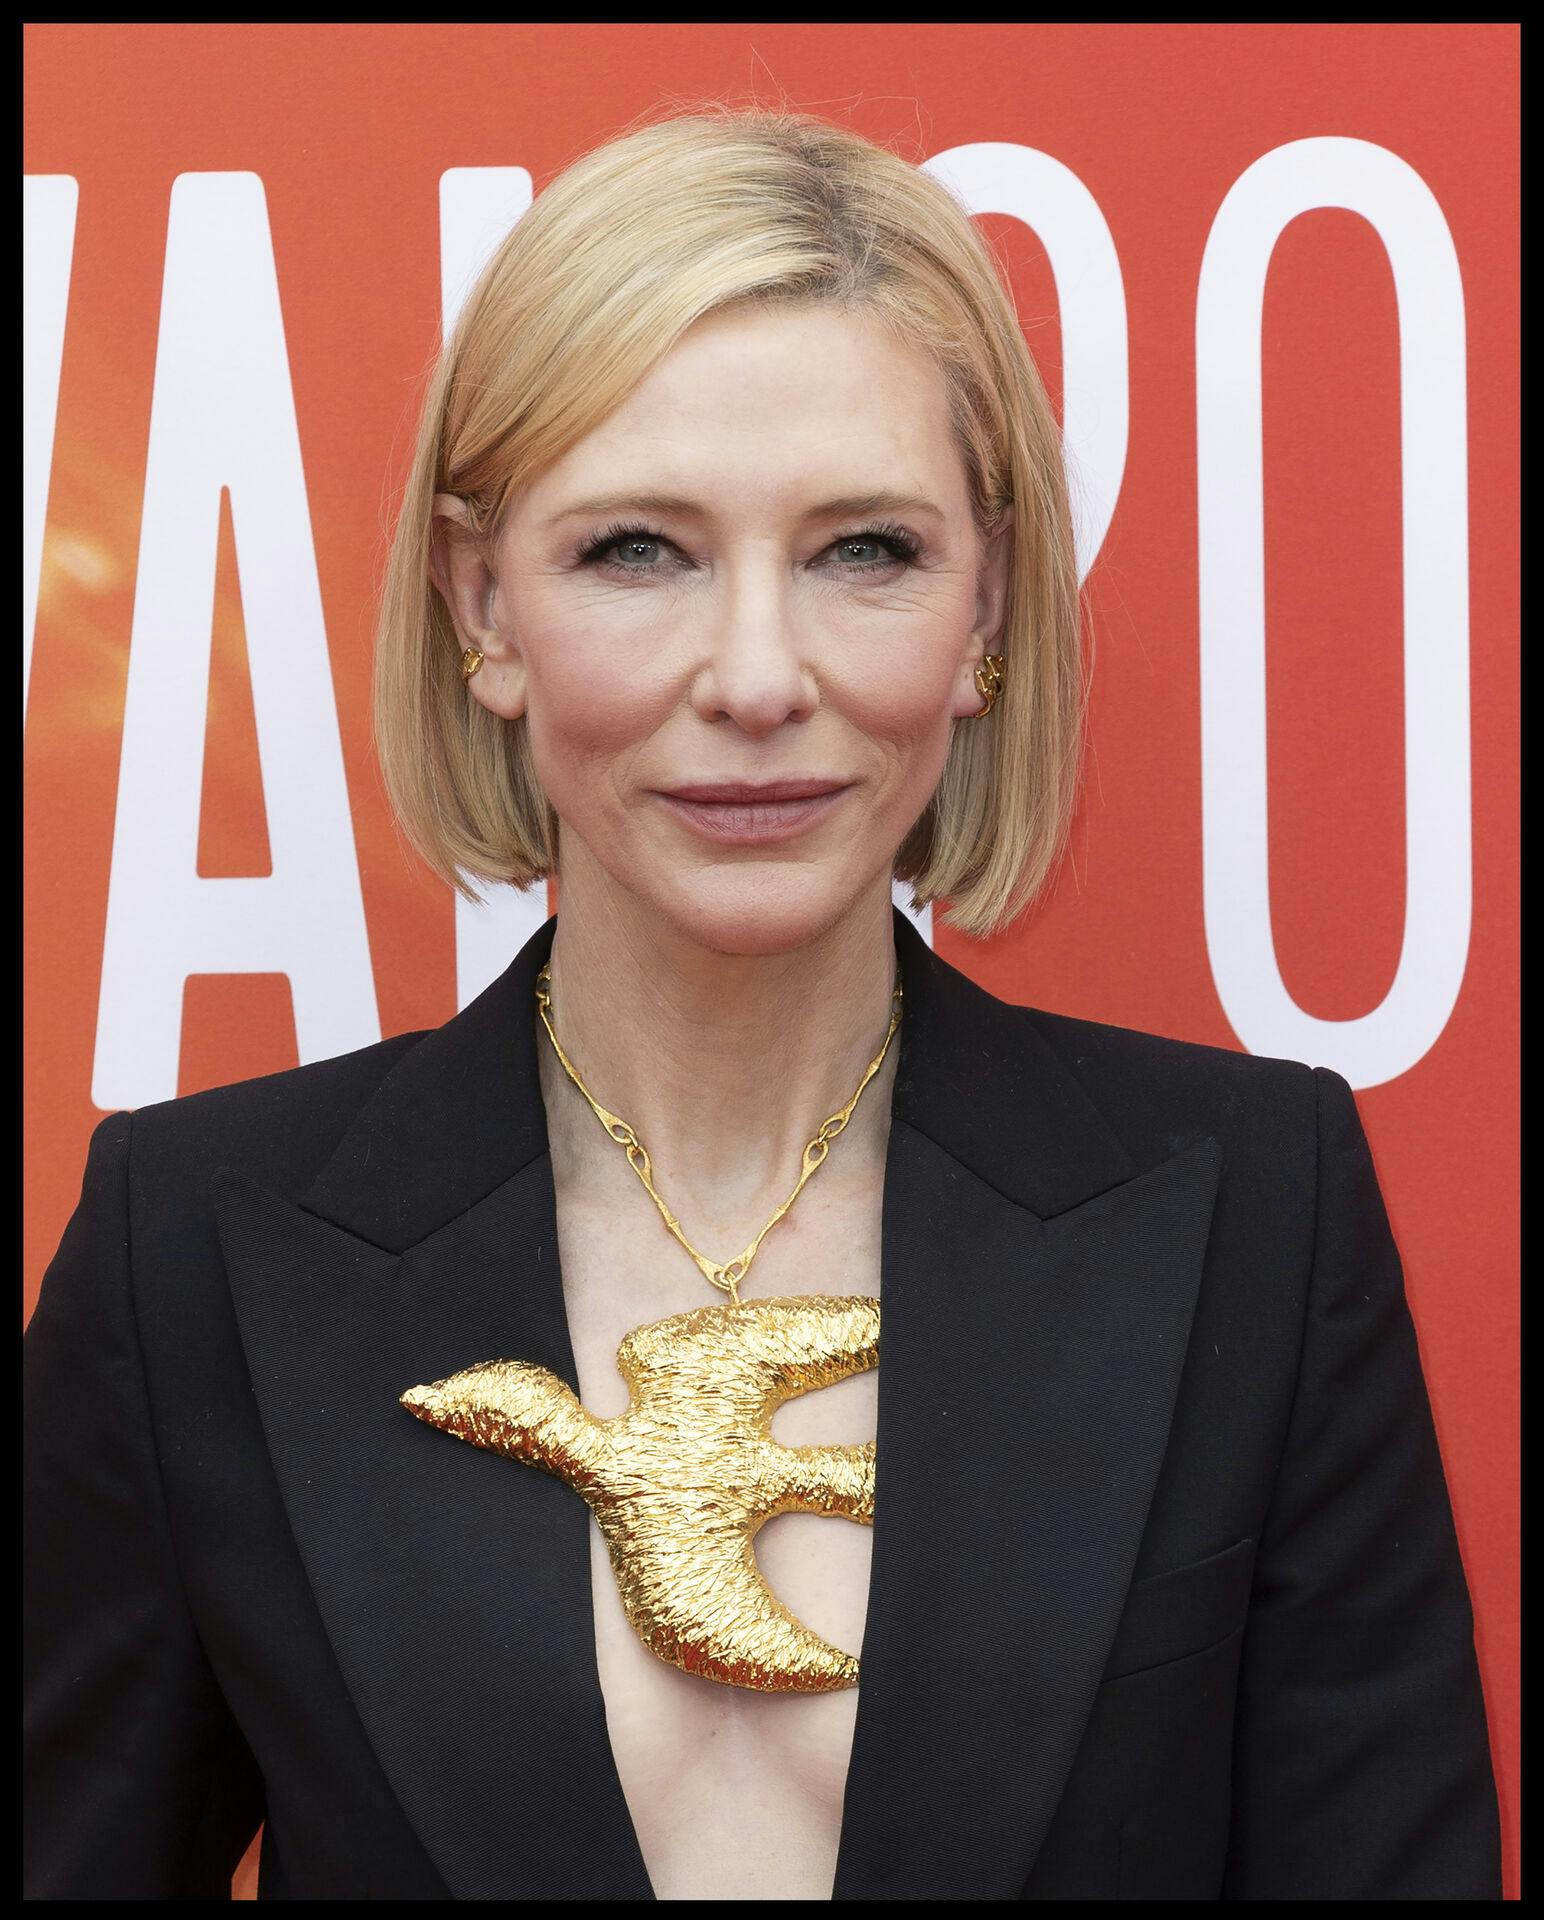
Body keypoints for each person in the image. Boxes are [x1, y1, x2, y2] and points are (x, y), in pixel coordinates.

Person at [23, 102, 1500, 1902]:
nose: (754, 676)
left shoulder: (1255, 1205)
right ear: (481, 604)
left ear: (990, 608)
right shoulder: (195, 1252)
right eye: (635, 549)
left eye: (863, 549)